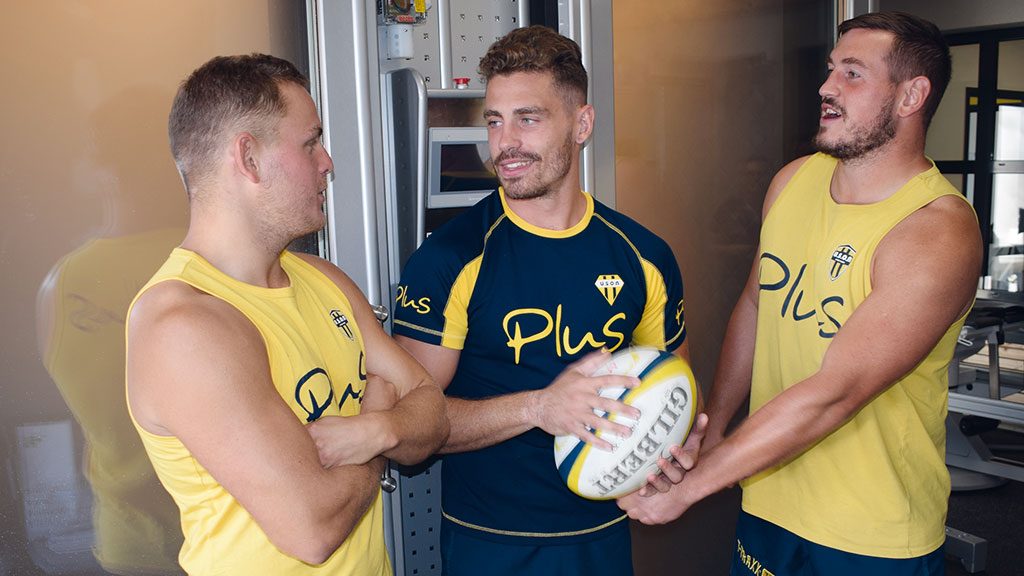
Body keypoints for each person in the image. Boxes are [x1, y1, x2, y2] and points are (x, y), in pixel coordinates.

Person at [619, 11, 982, 575]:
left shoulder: (936, 231)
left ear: (912, 96)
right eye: (831, 69)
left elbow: (836, 391)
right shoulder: (792, 182)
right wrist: (712, 432)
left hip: (870, 530)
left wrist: (693, 487)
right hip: (768, 497)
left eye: (853, 74)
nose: (826, 87)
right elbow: (756, 305)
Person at [392, 25, 706, 576]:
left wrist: (665, 461)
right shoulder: (450, 259)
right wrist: (539, 408)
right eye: (494, 120)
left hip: (605, 538)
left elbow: (666, 387)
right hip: (490, 544)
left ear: (581, 124)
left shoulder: (644, 256)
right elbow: (406, 430)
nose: (504, 142)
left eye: (527, 119)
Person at [125, 53, 449, 575]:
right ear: (249, 159)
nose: (328, 162)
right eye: (310, 142)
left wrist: (374, 432)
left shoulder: (326, 281)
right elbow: (312, 529)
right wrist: (381, 411)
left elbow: (432, 411)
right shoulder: (183, 325)